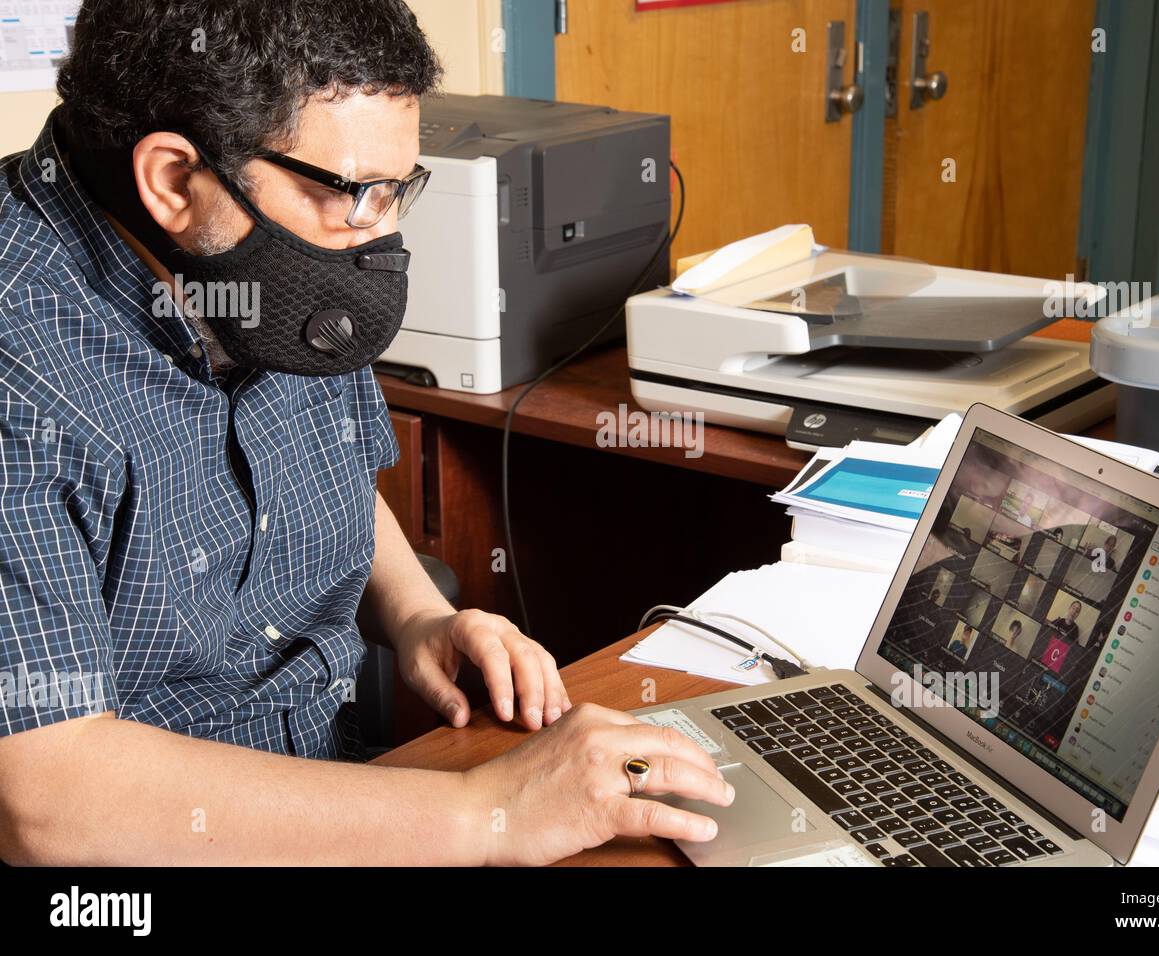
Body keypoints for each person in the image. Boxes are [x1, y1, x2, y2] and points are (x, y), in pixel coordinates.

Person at [0, 0, 730, 866]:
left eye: (397, 190)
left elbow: (329, 469)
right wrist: (482, 814)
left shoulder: (262, 268)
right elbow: (47, 798)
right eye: (352, 194)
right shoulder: (21, 358)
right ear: (172, 180)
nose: (379, 237)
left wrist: (419, 613)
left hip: (336, 790)